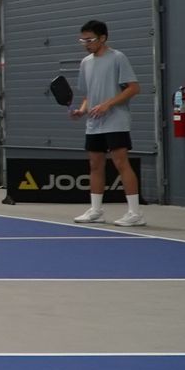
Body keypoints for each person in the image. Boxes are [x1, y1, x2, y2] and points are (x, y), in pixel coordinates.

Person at [69, 19, 144, 226]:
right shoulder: (85, 63)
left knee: (121, 164)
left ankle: (135, 214)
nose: (86, 43)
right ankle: (96, 211)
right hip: (94, 124)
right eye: (82, 40)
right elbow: (88, 94)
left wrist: (108, 105)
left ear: (103, 38)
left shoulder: (118, 58)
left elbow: (133, 88)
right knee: (95, 165)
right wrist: (81, 110)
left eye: (90, 39)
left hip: (116, 121)